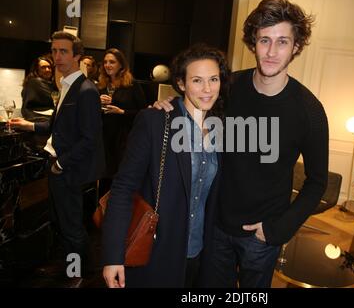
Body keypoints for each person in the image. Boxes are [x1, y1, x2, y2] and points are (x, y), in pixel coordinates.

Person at [153, 0, 329, 288]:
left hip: (262, 235)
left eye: (282, 41)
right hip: (216, 226)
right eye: (264, 40)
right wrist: (167, 105)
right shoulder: (229, 87)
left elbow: (317, 182)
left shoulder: (309, 111)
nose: (271, 52)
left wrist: (278, 229)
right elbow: (195, 98)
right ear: (253, 43)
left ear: (296, 46)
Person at [102, 44, 230, 288]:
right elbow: (123, 188)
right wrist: (113, 256)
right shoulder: (155, 121)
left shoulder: (220, 126)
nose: (207, 89)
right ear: (181, 84)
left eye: (213, 79)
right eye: (197, 80)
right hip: (157, 253)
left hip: (199, 254)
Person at [10, 31, 105, 278]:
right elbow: (56, 126)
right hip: (60, 165)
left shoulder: (86, 90)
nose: (57, 57)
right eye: (54, 51)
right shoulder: (66, 86)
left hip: (68, 168)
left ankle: (80, 274)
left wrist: (61, 163)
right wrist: (27, 125)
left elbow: (90, 139)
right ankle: (71, 267)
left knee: (72, 225)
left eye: (63, 51)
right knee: (61, 220)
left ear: (77, 56)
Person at [97, 48, 147, 198]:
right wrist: (96, 102)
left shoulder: (132, 85)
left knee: (119, 180)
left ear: (121, 65)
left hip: (123, 139)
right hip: (104, 138)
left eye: (112, 62)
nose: (108, 65)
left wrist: (121, 112)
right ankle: (100, 214)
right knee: (103, 179)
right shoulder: (101, 85)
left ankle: (117, 212)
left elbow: (143, 113)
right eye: (105, 62)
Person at [21, 56, 57, 121]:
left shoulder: (49, 83)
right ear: (36, 70)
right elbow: (54, 98)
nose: (47, 70)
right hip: (38, 119)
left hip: (43, 119)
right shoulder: (35, 82)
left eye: (49, 67)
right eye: (43, 67)